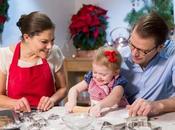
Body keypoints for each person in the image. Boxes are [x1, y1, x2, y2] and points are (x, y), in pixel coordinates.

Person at [0, 11, 67, 112]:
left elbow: (63, 88)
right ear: (27, 37)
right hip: (17, 118)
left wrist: (52, 100)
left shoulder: (54, 52)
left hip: (48, 117)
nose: (50, 46)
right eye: (44, 42)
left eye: (52, 40)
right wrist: (14, 103)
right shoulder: (5, 55)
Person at [120, 11, 175, 117]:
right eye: (132, 44)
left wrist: (158, 106)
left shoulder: (172, 54)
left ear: (160, 47)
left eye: (143, 50)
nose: (134, 53)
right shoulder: (120, 56)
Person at [65, 46, 128, 117]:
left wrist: (100, 105)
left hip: (116, 115)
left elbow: (114, 97)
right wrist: (71, 101)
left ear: (116, 72)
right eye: (95, 72)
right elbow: (74, 89)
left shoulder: (118, 82)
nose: (98, 77)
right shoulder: (91, 78)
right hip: (97, 114)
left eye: (103, 74)